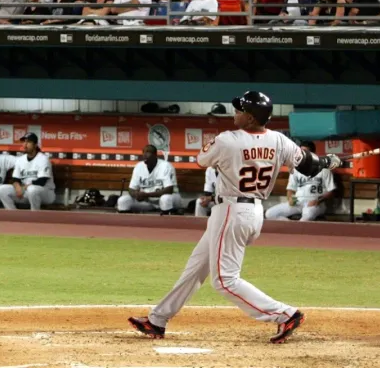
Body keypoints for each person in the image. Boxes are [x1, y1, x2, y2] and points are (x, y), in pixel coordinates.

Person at [127, 91, 342, 343]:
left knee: (225, 281)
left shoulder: (228, 139)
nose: (236, 113)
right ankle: (157, 320)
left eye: (240, 111)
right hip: (252, 212)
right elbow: (309, 165)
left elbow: (201, 160)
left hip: (231, 211)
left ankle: (285, 314)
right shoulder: (279, 140)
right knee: (196, 268)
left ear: (251, 118)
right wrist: (329, 160)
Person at [264, 141, 337, 221]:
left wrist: (318, 201)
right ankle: (293, 227)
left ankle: (296, 229)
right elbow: (290, 189)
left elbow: (331, 191)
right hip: (298, 202)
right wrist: (290, 198)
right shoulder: (295, 169)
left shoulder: (324, 169)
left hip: (315, 204)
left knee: (307, 216)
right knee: (270, 214)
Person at [0, 132, 57, 210]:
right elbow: (15, 179)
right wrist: (18, 187)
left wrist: (23, 188)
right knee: (2, 189)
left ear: (35, 145)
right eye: (24, 142)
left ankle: (34, 215)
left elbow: (41, 181)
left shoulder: (43, 159)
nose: (25, 144)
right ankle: (13, 214)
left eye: (28, 142)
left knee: (32, 189)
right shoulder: (20, 159)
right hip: (26, 192)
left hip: (46, 193)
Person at [116, 145, 183, 214]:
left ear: (155, 155)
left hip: (170, 198)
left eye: (148, 152)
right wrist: (136, 194)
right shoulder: (139, 166)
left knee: (165, 199)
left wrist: (147, 195)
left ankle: (168, 221)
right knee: (123, 200)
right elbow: (131, 189)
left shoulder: (165, 166)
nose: (145, 154)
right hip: (148, 201)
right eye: (143, 152)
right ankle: (130, 223)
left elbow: (169, 190)